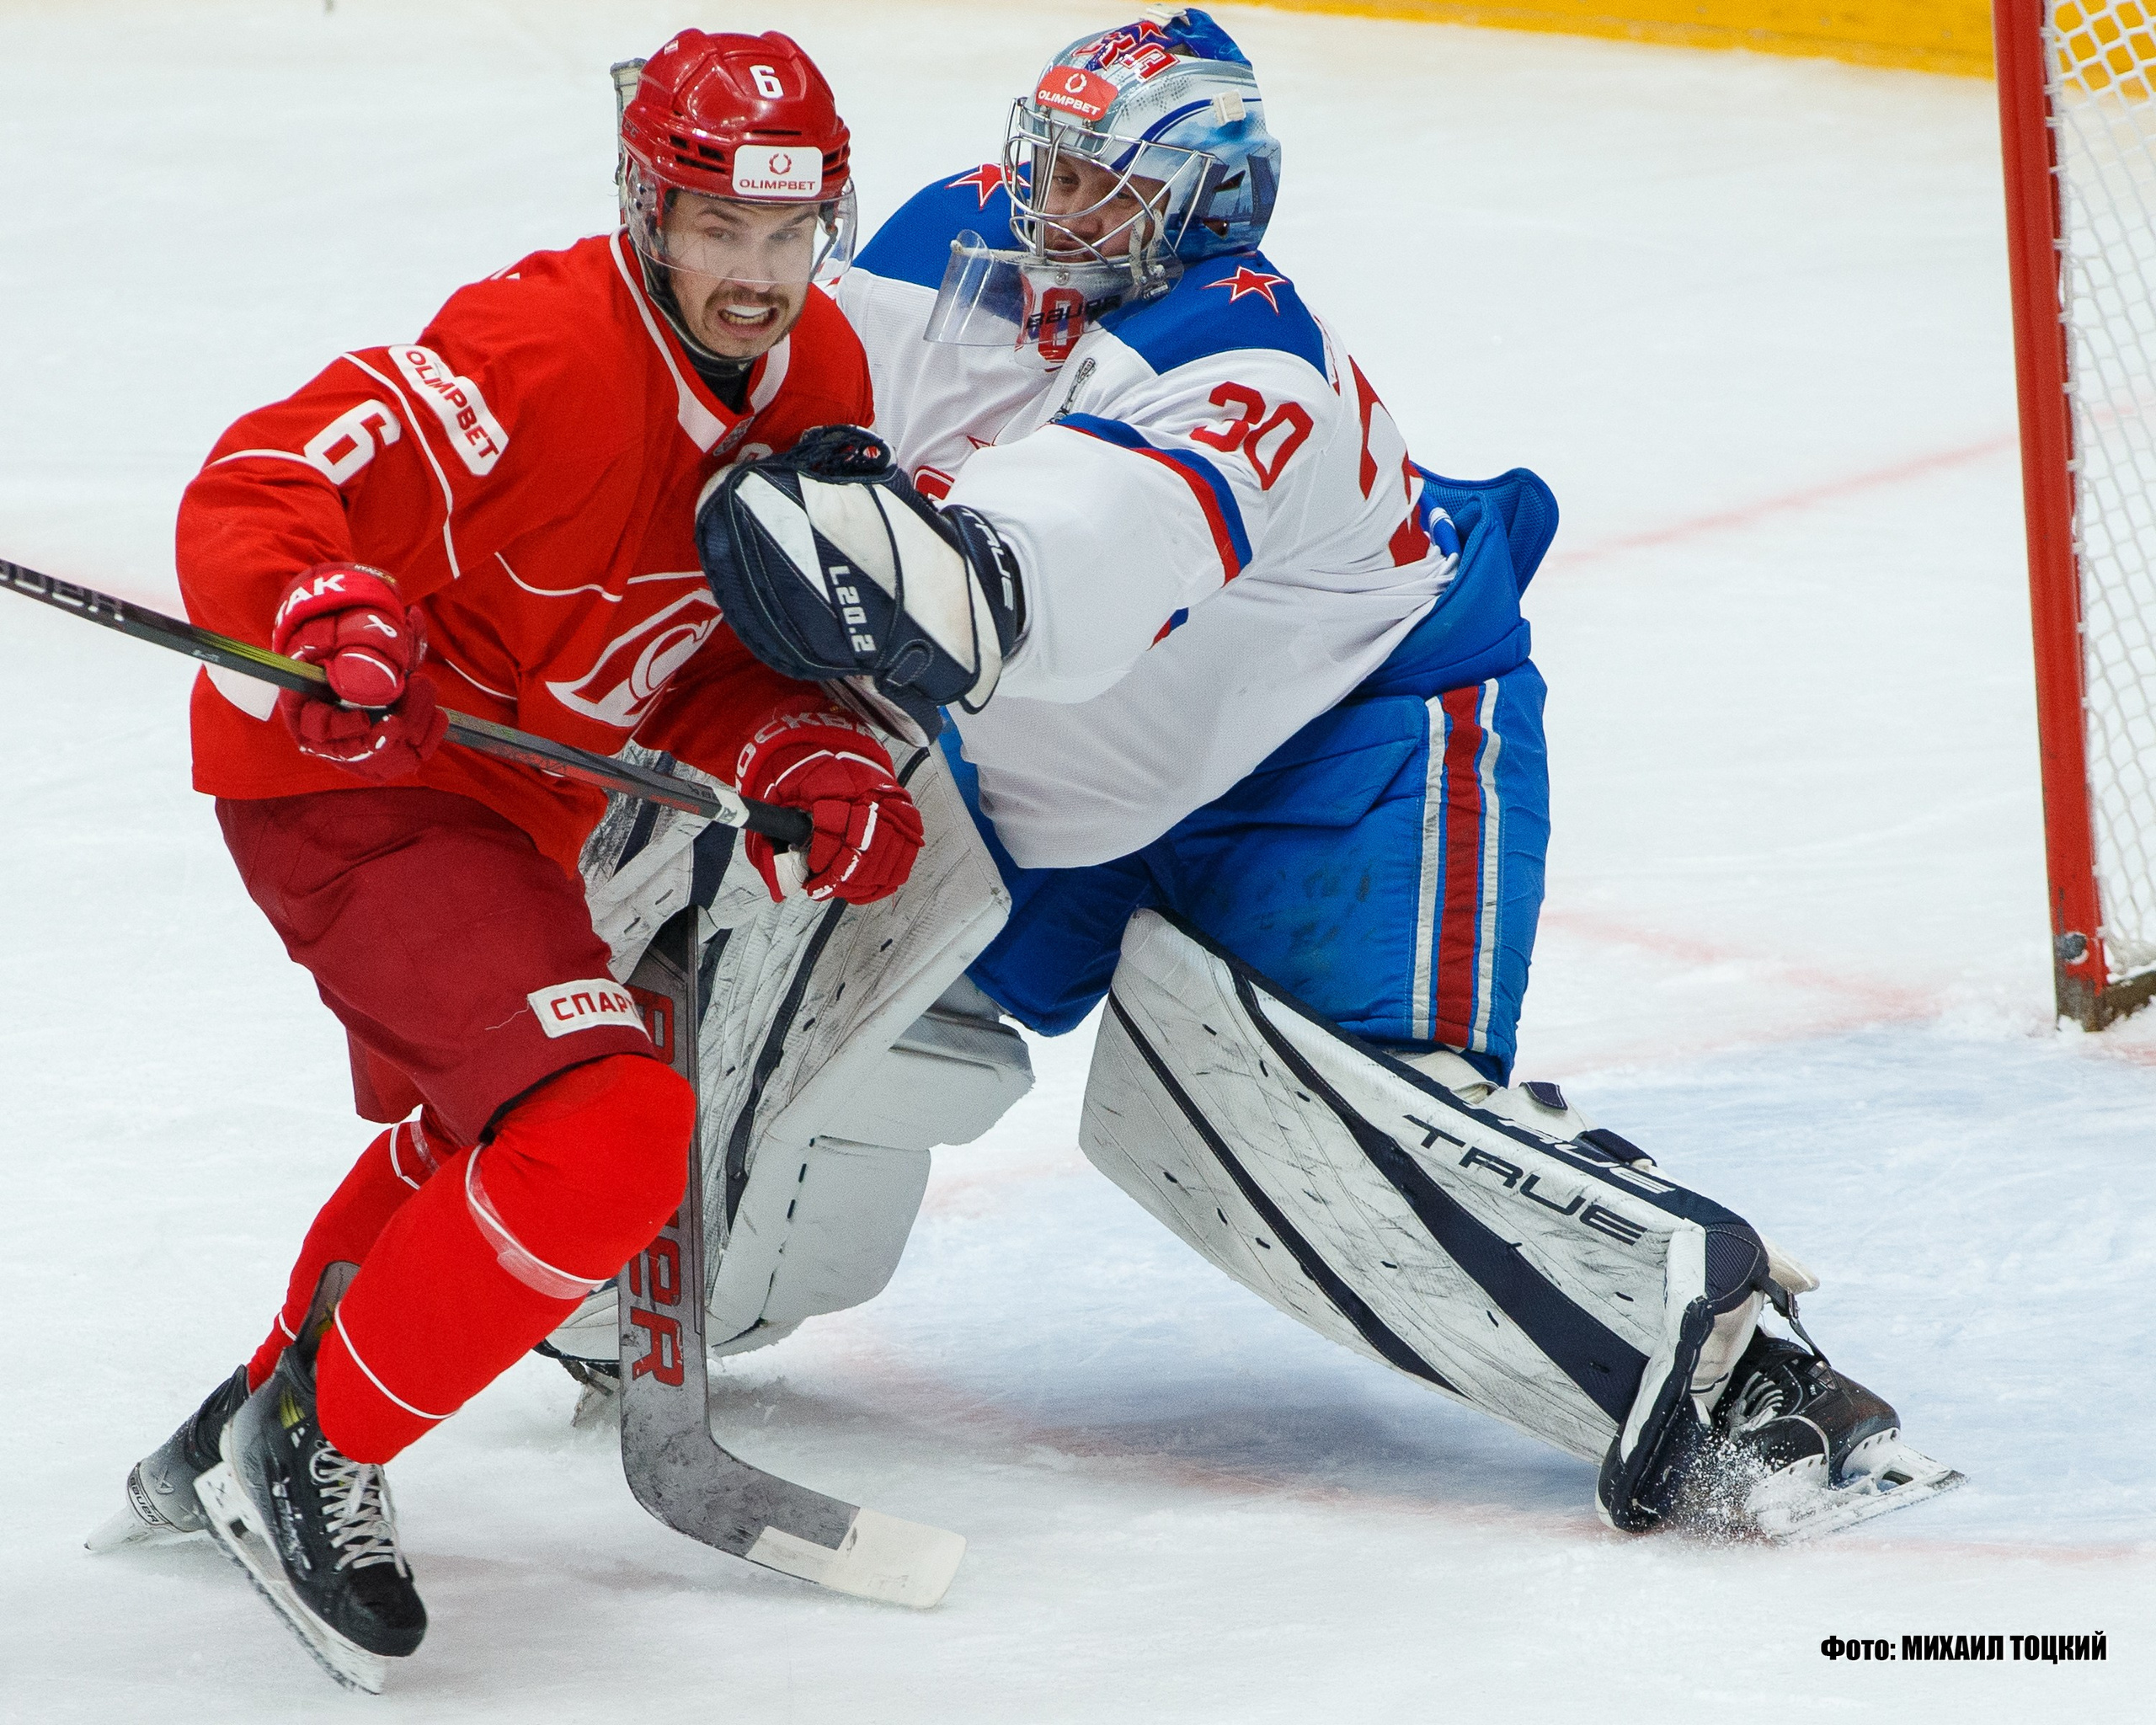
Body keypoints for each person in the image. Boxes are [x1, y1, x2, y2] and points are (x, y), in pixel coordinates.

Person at [695, 6, 1959, 1544]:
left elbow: (1065, 583)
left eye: (1103, 185)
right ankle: (641, 1277)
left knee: (1330, 1126)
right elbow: (767, 400)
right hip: (1074, 776)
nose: (1053, 207)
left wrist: (912, 566)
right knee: (828, 947)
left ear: (1207, 199)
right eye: (1053, 164)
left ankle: (1737, 1375)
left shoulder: (1248, 353)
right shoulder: (944, 235)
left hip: (1344, 749)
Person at [86, 29, 925, 1690]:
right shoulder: (537, 347)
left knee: (490, 1132)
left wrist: (802, 751)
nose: (753, 277)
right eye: (713, 232)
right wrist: (320, 619)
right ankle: (314, 1441)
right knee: (607, 1133)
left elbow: (728, 655)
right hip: (348, 775)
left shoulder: (821, 374)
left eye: (786, 233)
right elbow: (264, 481)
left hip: (507, 811)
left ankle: (248, 1409)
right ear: (645, 210)